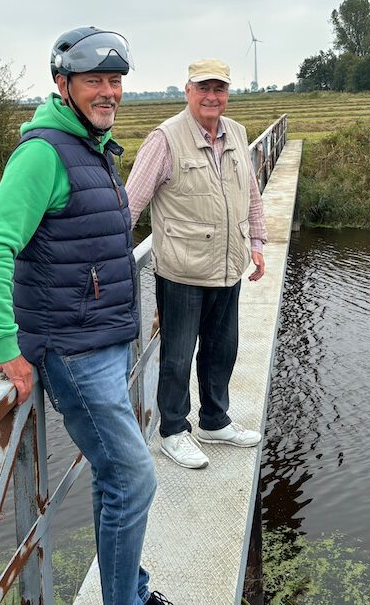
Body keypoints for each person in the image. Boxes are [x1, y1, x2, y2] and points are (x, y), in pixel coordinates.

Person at [0, 27, 170, 605]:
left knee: (115, 479)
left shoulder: (92, 146)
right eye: (94, 82)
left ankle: (126, 589)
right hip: (75, 353)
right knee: (135, 477)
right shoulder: (42, 154)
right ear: (63, 85)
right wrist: (7, 346)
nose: (108, 91)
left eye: (115, 81)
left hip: (104, 341)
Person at [125, 58, 267, 470]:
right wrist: (112, 261)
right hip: (183, 271)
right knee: (178, 355)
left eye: (219, 88)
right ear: (188, 91)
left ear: (227, 93)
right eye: (203, 88)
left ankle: (214, 421)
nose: (211, 96)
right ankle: (173, 430)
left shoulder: (237, 133)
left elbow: (252, 195)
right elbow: (130, 206)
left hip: (228, 266)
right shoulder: (165, 139)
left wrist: (256, 242)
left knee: (223, 350)